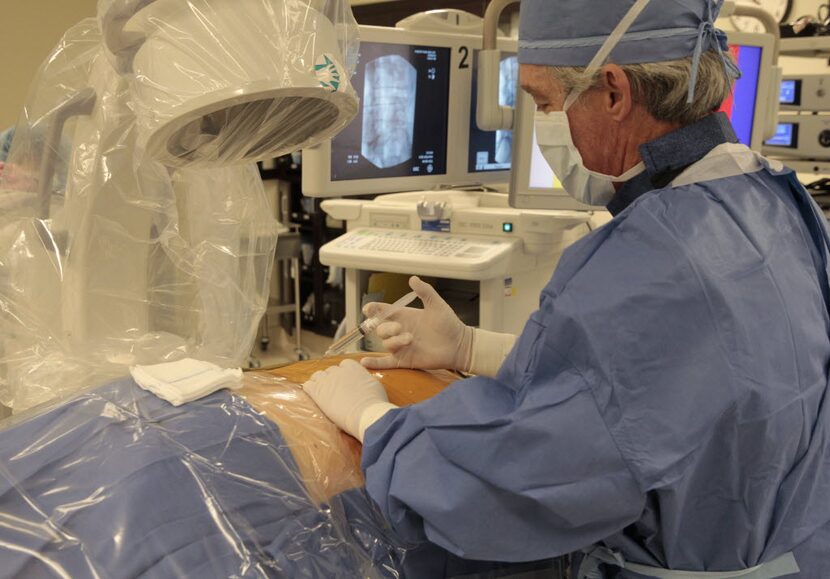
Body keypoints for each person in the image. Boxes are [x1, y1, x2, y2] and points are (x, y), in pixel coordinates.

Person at [303, 0, 830, 576]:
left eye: (545, 102)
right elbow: (678, 383)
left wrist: (373, 420)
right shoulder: (775, 203)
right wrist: (469, 349)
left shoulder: (647, 262)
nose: (548, 130)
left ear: (613, 92)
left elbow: (503, 490)